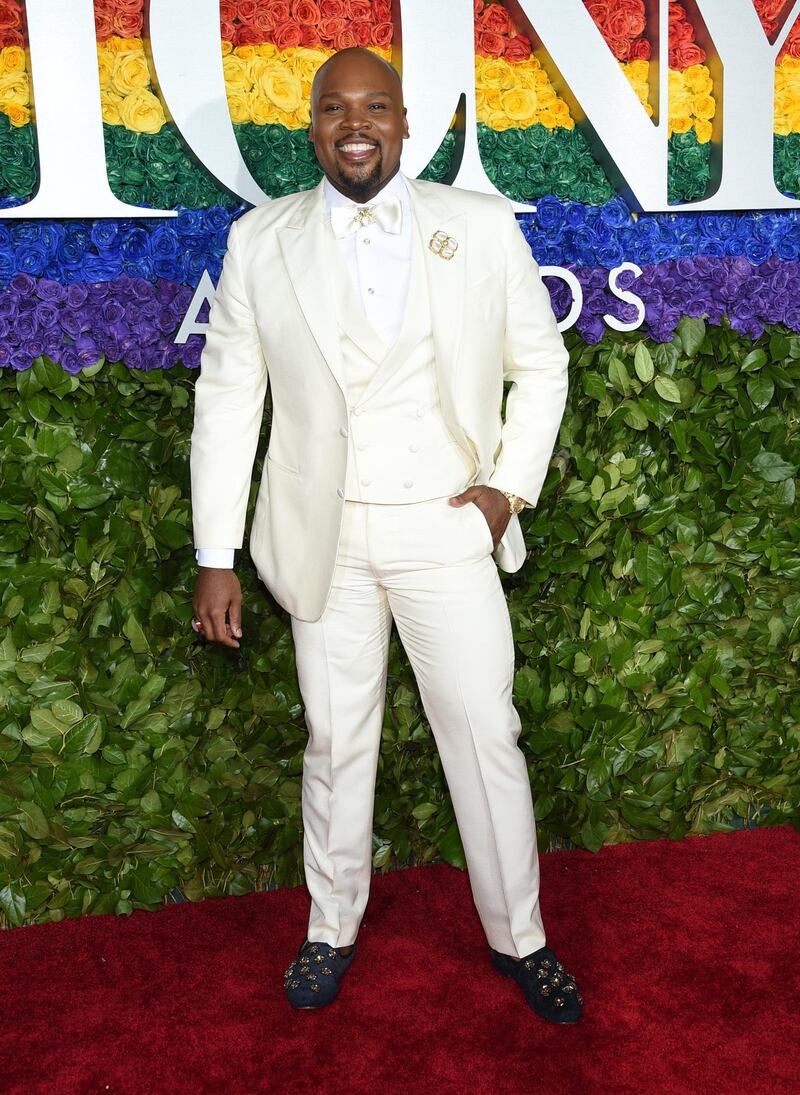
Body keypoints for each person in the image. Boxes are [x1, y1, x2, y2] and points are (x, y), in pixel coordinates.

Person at [190, 46, 582, 1023]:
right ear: (312, 123)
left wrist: (503, 491)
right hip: (322, 539)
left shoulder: (480, 229)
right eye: (334, 107)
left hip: (446, 527)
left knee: (486, 734)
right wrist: (213, 554)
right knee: (334, 739)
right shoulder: (258, 241)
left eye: (373, 107)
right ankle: (329, 926)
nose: (353, 123)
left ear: (404, 125)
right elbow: (230, 400)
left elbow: (539, 367)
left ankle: (519, 938)